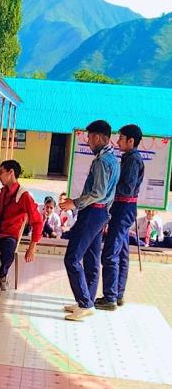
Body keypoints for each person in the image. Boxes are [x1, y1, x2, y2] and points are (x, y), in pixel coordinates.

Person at [60, 120, 120, 321]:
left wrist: (74, 203)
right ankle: (86, 301)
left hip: (93, 212)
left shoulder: (102, 161)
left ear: (98, 137)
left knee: (72, 258)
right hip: (100, 213)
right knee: (91, 258)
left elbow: (98, 192)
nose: (88, 141)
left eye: (89, 137)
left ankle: (85, 303)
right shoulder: (113, 159)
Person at [95, 124, 145, 310]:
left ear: (131, 141)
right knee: (122, 253)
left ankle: (110, 298)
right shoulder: (129, 158)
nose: (118, 142)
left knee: (110, 253)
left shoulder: (132, 160)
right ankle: (118, 294)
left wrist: (108, 185)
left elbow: (127, 188)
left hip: (124, 208)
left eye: (121, 139)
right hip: (125, 208)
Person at [0, 159, 43, 291]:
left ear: (11, 172)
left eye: (1, 172)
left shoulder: (24, 196)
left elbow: (37, 221)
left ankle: (2, 275)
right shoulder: (3, 191)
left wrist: (32, 247)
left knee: (8, 251)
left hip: (10, 233)